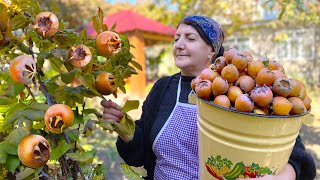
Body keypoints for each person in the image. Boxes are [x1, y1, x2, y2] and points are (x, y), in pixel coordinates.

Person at [100, 15, 316, 180]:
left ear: (212, 51)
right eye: (177, 39)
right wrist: (124, 128)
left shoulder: (239, 88)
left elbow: (291, 151)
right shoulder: (163, 88)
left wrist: (282, 177)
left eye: (190, 38)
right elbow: (141, 154)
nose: (179, 45)